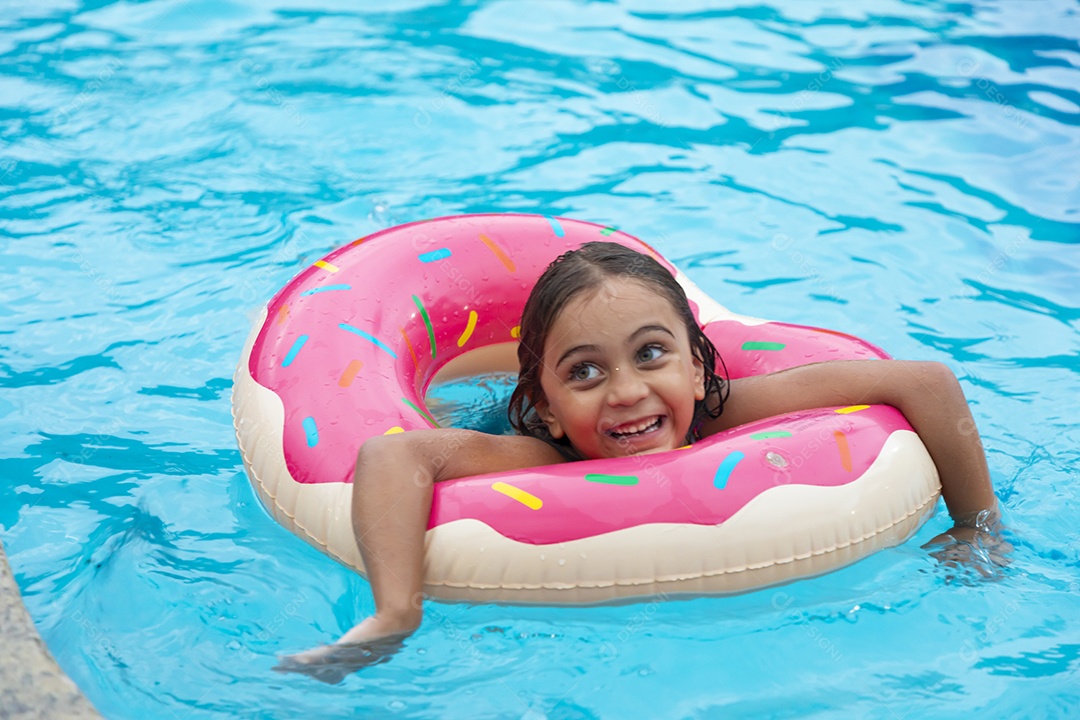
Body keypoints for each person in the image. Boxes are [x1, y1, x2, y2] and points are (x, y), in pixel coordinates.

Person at [275, 241, 1003, 681]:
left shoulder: (724, 409)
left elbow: (925, 381)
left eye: (651, 354)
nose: (626, 393)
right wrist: (396, 611)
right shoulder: (538, 450)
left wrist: (977, 528)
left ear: (696, 367)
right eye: (585, 372)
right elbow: (392, 453)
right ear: (551, 405)